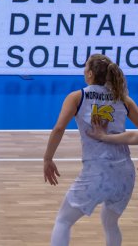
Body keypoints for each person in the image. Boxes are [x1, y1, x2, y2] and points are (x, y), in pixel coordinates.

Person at [44, 54, 138, 246]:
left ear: (90, 73)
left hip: (97, 171)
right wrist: (112, 137)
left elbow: (59, 128)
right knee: (110, 223)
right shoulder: (124, 99)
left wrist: (48, 158)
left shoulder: (78, 96)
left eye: (85, 66)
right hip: (125, 174)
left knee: (64, 220)